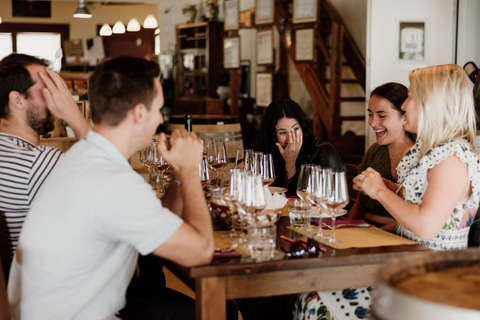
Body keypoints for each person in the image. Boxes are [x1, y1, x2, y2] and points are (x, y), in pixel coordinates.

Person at [7, 56, 214, 319]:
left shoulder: (83, 156)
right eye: (159, 109)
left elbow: (158, 216)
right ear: (139, 113)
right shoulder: (111, 180)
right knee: (207, 312)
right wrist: (189, 169)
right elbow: (201, 252)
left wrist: (178, 173)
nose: (160, 120)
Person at [355, 64, 480, 250]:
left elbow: (426, 226)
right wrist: (385, 186)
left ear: (431, 104)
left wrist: (379, 190)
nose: (403, 105)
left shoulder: (452, 158)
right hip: (408, 256)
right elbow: (413, 207)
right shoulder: (429, 150)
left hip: (435, 269)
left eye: (410, 97)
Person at [0, 53, 91, 256]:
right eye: (47, 90)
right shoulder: (38, 162)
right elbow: (116, 184)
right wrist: (73, 113)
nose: (55, 99)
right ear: (17, 100)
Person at [347, 82, 414, 231]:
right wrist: (346, 229)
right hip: (364, 229)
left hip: (390, 235)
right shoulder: (376, 151)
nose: (372, 122)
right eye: (370, 114)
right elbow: (359, 204)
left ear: (405, 117)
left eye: (382, 116)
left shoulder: (415, 157)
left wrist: (368, 237)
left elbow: (410, 220)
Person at [262, 99, 344, 196]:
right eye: (283, 133)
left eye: (295, 129)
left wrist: (290, 165)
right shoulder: (270, 153)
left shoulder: (323, 153)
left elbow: (299, 200)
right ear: (273, 136)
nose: (291, 138)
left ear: (302, 127)